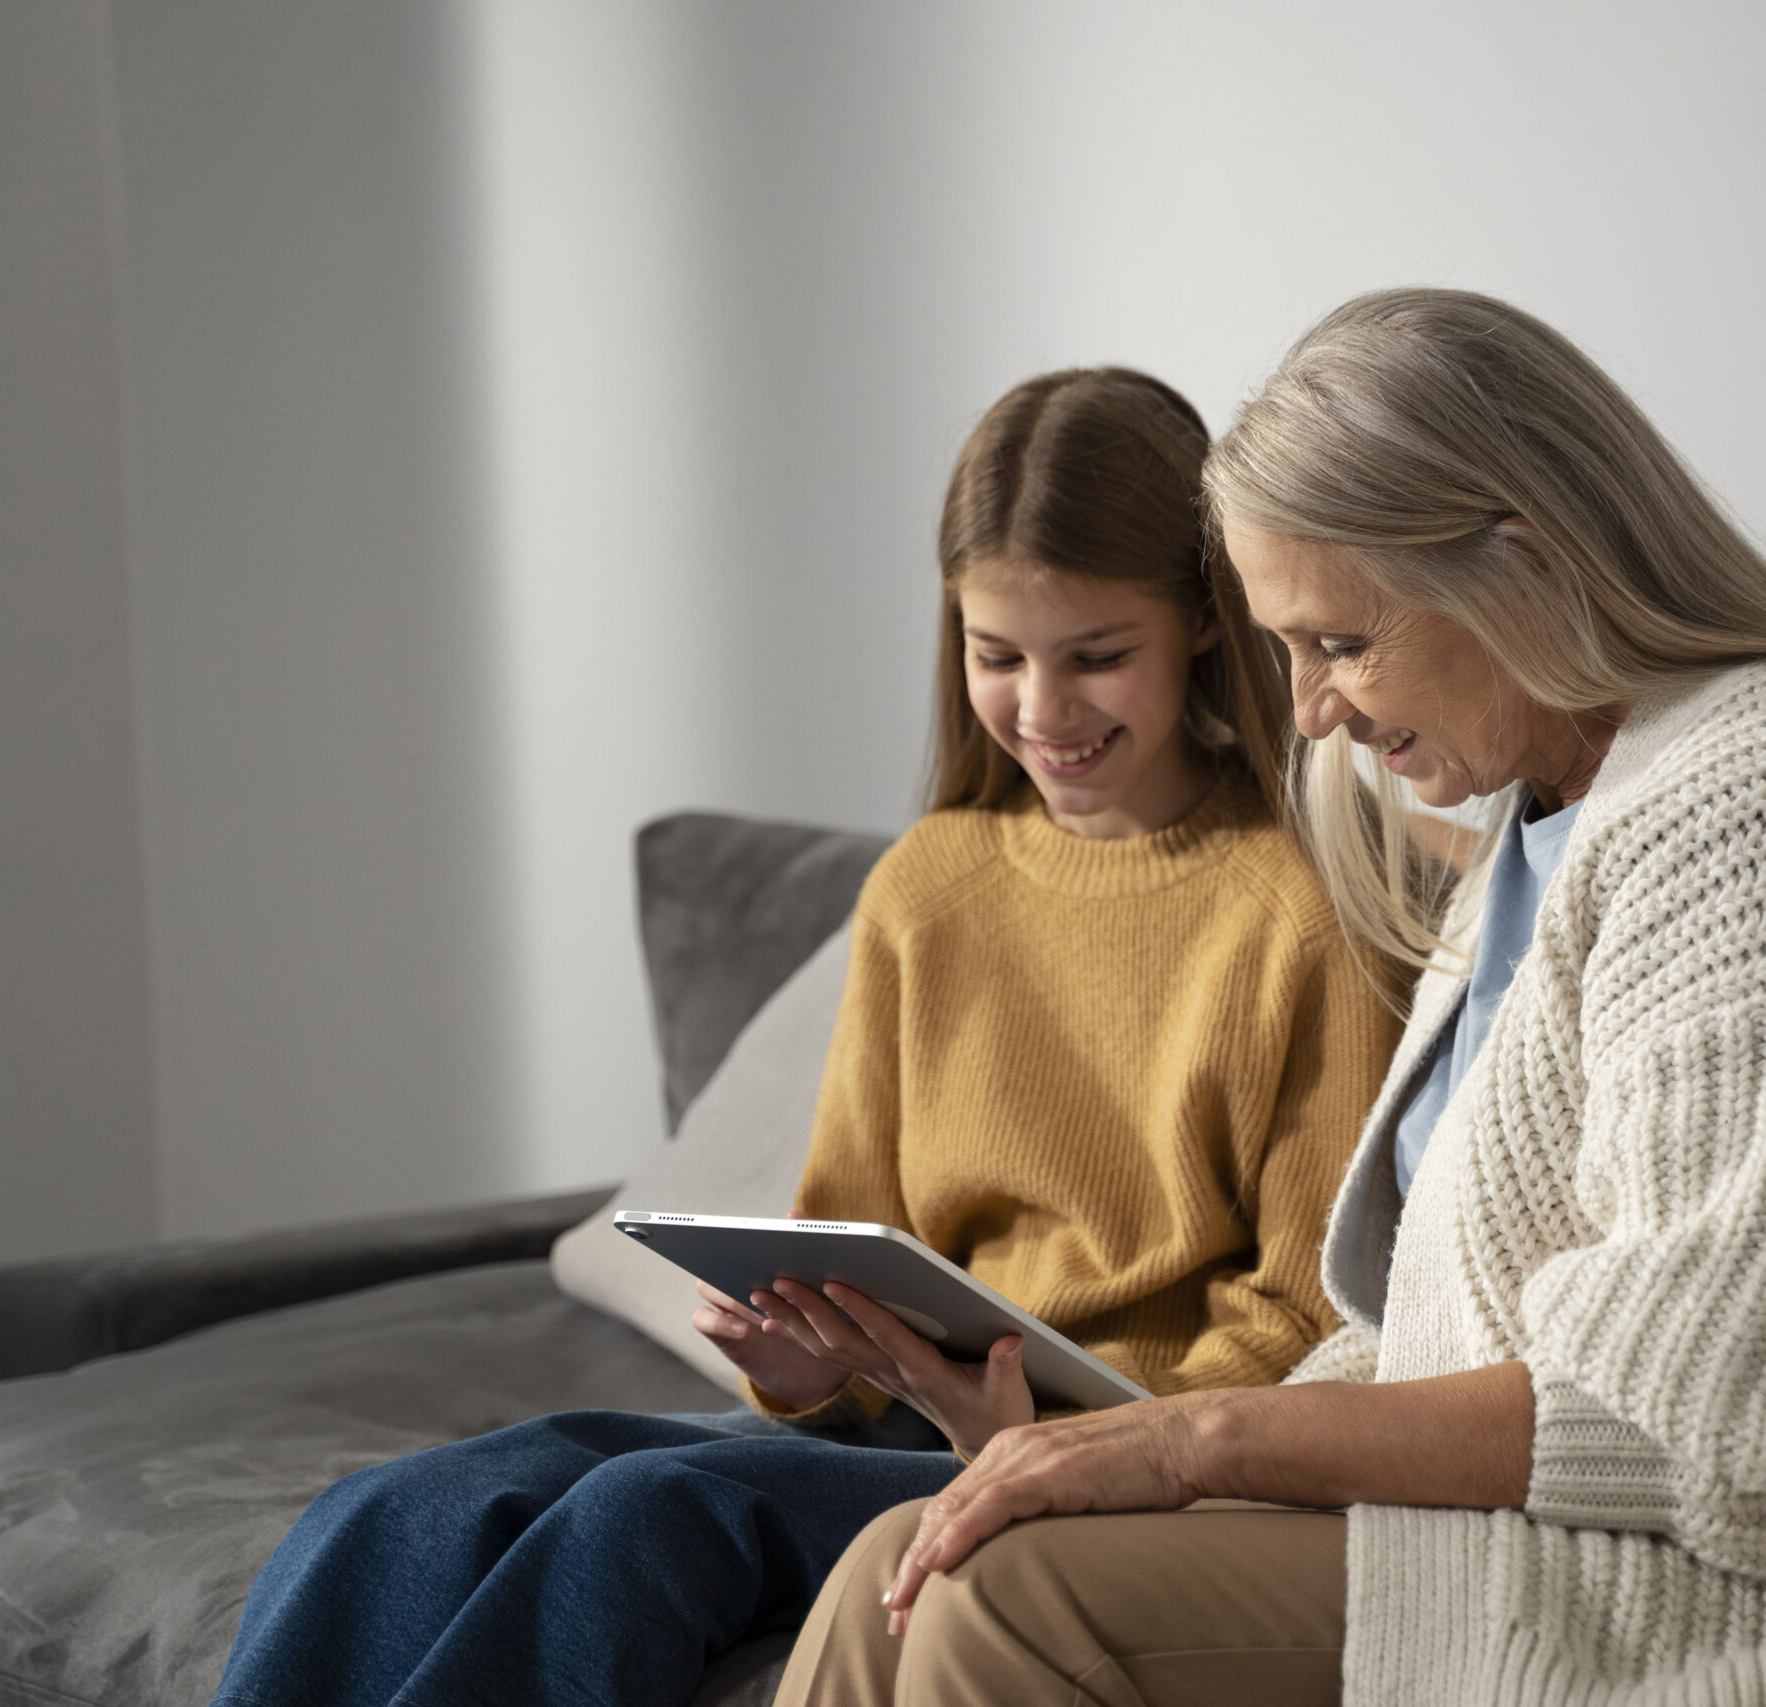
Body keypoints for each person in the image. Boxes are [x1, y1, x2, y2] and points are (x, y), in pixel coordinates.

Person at [775, 292, 1766, 1707]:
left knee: (998, 1603)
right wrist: (1100, 1445)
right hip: (1531, 1518)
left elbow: (1710, 1414)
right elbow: (1446, 1327)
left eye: (1339, 643)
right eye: (1287, 648)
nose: (1307, 708)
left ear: (1521, 562)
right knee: (899, 1567)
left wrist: (1202, 1447)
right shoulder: (1539, 818)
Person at [206, 367, 1401, 1707]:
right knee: (408, 1508)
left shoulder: (1300, 907)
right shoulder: (927, 886)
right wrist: (802, 1361)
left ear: (1199, 621)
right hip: (911, 1423)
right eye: (997, 656)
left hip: (1116, 1455)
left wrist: (1059, 1428)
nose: (1045, 715)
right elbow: (852, 1234)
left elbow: (1314, 1318)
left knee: (647, 1517)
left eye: (1097, 657)